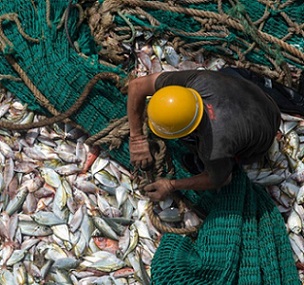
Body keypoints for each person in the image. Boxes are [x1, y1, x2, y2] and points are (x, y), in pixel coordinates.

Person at [127, 67, 281, 201]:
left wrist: (170, 185)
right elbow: (137, 85)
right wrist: (137, 139)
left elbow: (219, 179)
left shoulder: (215, 146)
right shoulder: (198, 81)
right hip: (263, 102)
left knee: (211, 164)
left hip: (264, 133)